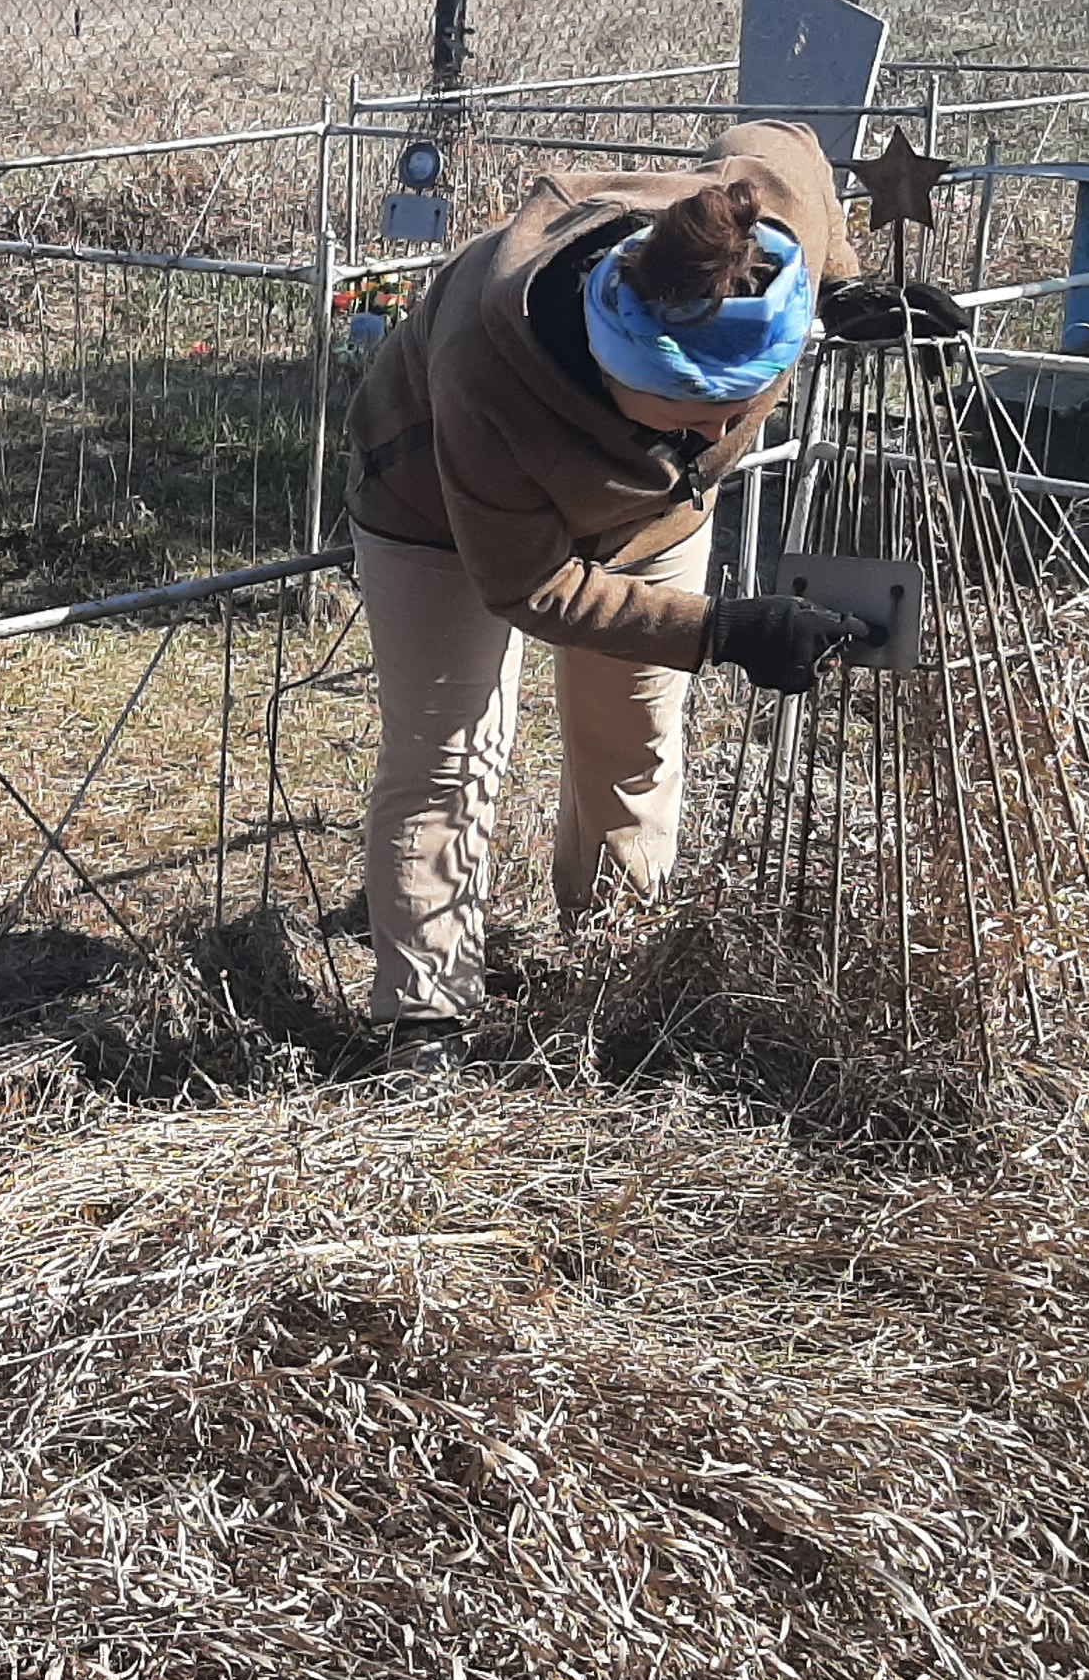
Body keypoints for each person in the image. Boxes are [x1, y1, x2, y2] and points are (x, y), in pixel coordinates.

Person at [343, 121, 883, 1071]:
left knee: (634, 733)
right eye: (690, 417)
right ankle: (425, 1017)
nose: (719, 433)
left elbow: (785, 143)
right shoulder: (486, 365)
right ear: (610, 360)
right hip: (436, 503)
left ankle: (612, 957)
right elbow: (528, 583)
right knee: (450, 747)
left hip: (647, 519)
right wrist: (722, 628)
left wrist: (841, 283)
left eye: (736, 411)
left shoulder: (759, 255)